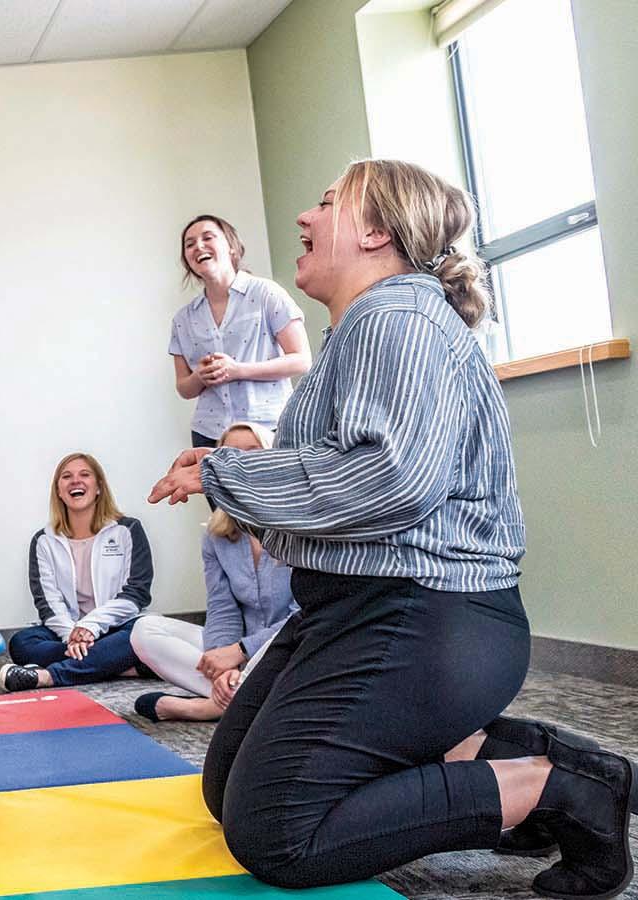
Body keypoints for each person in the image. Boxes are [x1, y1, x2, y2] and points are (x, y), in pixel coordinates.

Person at [148, 159, 632, 897]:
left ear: (376, 232)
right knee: (226, 787)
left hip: (427, 616)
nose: (305, 219)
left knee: (276, 829)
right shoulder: (365, 328)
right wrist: (228, 466)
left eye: (326, 202)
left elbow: (390, 479)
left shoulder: (398, 318)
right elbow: (345, 470)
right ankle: (516, 758)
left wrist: (225, 473)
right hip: (359, 606)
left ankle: (556, 787)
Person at [129, 423, 297, 723]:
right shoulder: (216, 534)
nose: (241, 461)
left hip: (284, 646)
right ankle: (237, 696)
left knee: (290, 643)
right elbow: (222, 608)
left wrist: (241, 650)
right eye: (231, 455)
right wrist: (224, 661)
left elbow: (302, 617)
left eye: (252, 452)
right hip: (237, 654)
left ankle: (212, 705)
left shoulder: (297, 526)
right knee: (144, 631)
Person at [0, 452, 152, 693]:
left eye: (85, 475)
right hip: (68, 630)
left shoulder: (128, 529)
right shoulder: (43, 540)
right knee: (22, 643)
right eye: (66, 477)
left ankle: (49, 676)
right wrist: (73, 635)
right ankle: (114, 664)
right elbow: (47, 604)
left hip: (118, 626)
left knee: (145, 633)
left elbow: (136, 595)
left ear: (99, 486)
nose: (75, 481)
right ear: (59, 491)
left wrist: (91, 627)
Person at [168, 215, 310, 448]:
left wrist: (238, 370)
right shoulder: (183, 319)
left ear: (231, 247)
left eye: (208, 237)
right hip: (210, 432)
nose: (198, 246)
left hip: (269, 426)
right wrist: (199, 377)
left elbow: (302, 360)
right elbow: (184, 387)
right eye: (189, 244)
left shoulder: (266, 293)